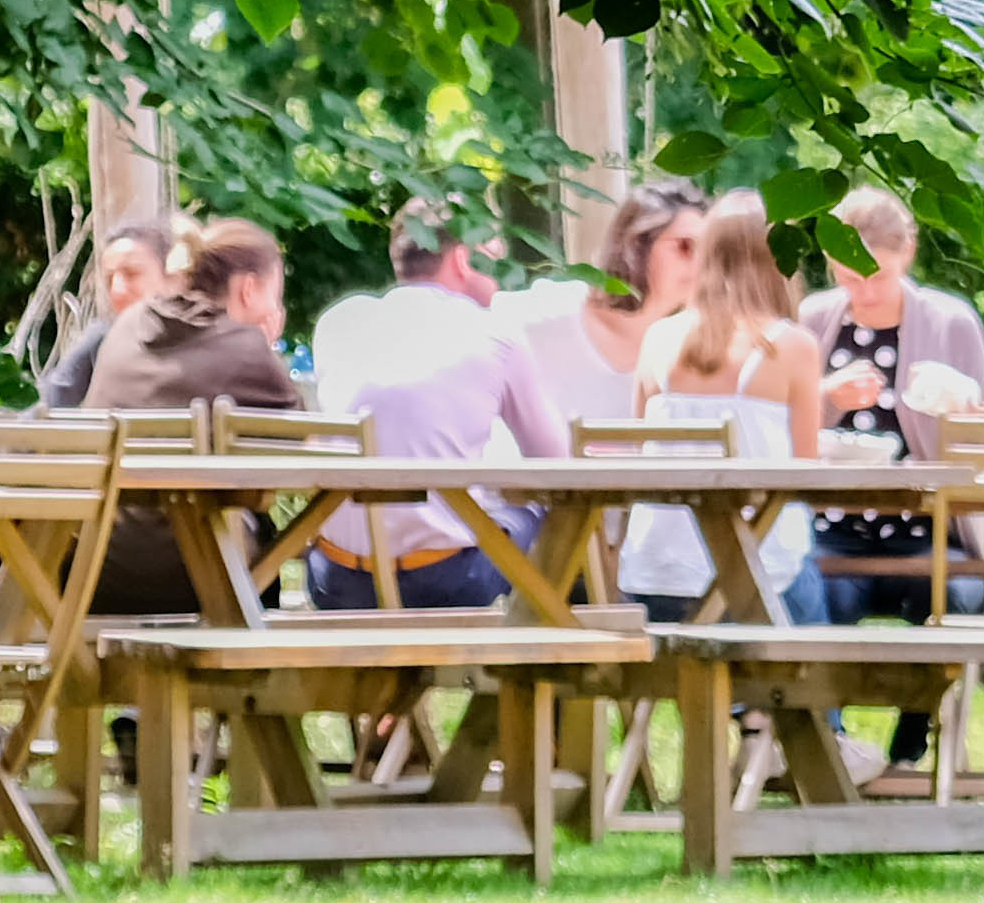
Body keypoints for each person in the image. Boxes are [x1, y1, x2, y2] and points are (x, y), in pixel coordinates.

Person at [293, 200, 576, 609]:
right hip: (444, 582)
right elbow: (555, 466)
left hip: (337, 580)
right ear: (462, 260)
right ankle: (552, 649)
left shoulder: (339, 321)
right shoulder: (493, 334)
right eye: (494, 257)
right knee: (542, 515)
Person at [801, 186, 984, 760]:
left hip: (926, 530)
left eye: (875, 278)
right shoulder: (814, 318)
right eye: (847, 277)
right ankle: (824, 745)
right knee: (799, 594)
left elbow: (980, 450)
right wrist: (825, 396)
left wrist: (966, 422)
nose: (860, 292)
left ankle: (913, 737)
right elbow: (782, 426)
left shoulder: (951, 323)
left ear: (907, 253)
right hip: (830, 526)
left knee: (959, 594)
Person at [75, 216, 303, 616]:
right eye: (275, 295)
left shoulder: (129, 325)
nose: (275, 309)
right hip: (196, 580)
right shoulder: (244, 346)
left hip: (91, 571)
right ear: (249, 290)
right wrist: (265, 350)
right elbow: (302, 441)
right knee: (252, 526)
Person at [511, 180, 714, 612]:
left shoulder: (696, 344)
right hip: (542, 540)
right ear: (636, 244)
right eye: (683, 246)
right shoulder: (548, 314)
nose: (699, 263)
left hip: (649, 555)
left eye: (708, 249)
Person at [641, 192, 820, 619]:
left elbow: (639, 448)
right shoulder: (792, 346)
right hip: (764, 575)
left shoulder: (658, 339)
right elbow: (808, 473)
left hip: (658, 575)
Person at [32, 215, 169, 405]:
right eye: (109, 279)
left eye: (132, 273)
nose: (117, 290)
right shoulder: (102, 339)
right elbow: (47, 407)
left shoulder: (214, 337)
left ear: (172, 275)